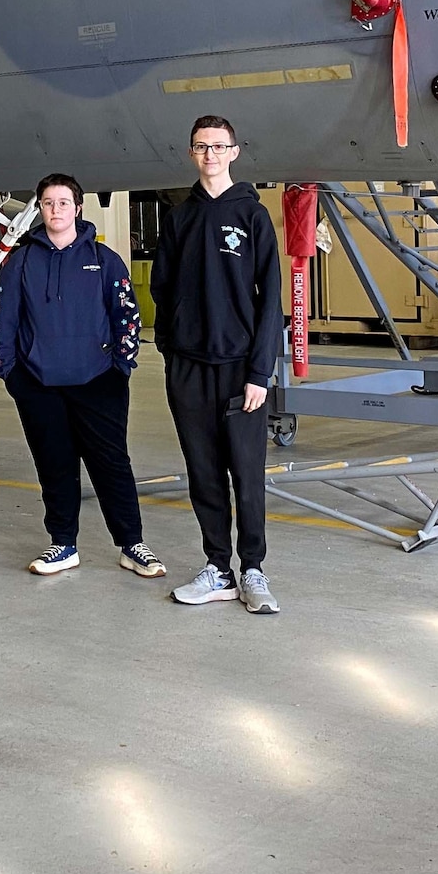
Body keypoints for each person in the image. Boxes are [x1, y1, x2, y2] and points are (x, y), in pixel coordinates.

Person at [0, 174, 166, 580]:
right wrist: (12, 374)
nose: (56, 210)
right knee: (55, 466)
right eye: (48, 203)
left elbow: (128, 317)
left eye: (63, 203)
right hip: (38, 385)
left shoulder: (105, 261)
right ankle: (63, 543)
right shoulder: (20, 261)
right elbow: (4, 322)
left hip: (98, 382)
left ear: (78, 208)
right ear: (40, 208)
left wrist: (120, 369)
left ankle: (131, 544)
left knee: (112, 465)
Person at [150, 115, 283, 614]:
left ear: (234, 152)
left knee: (246, 473)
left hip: (237, 368)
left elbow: (270, 297)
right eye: (201, 146)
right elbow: (161, 289)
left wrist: (258, 372)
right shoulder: (179, 217)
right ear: (192, 154)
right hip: (187, 368)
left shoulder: (253, 216)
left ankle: (253, 569)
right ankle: (218, 569)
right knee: (203, 473)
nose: (210, 154)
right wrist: (170, 347)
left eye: (218, 146)